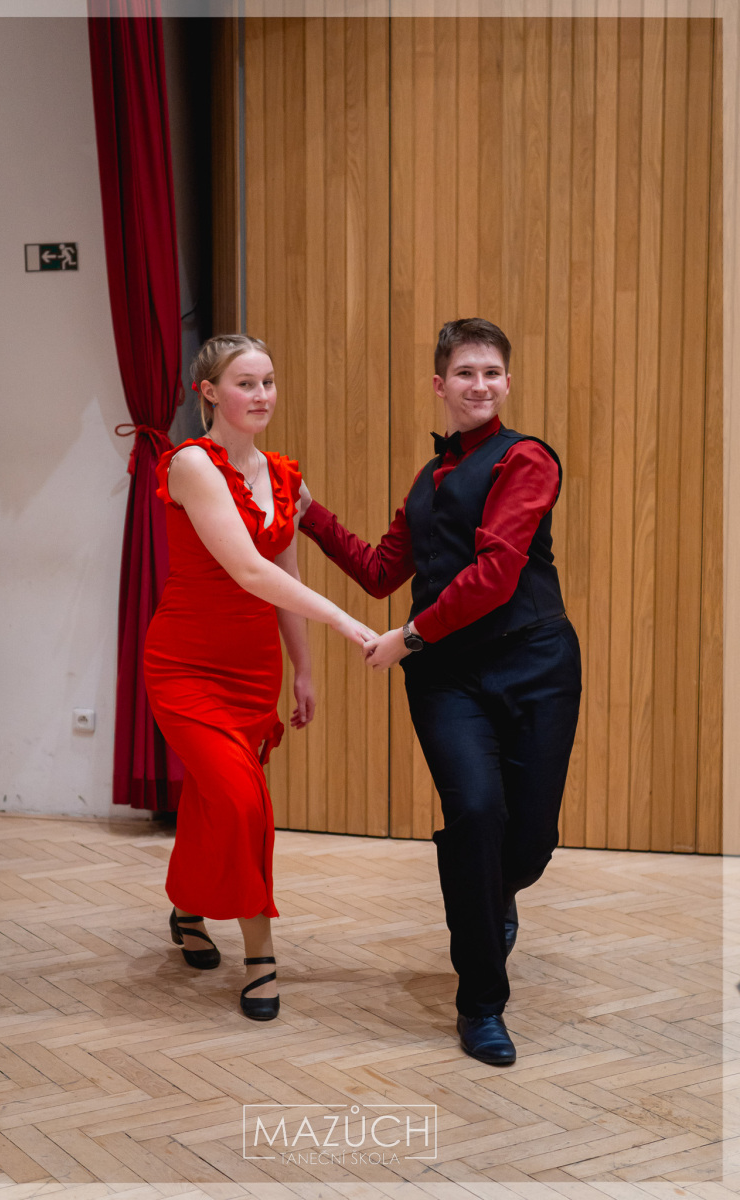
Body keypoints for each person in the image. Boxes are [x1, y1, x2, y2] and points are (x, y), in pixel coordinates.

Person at [299, 318, 582, 1064]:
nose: (478, 384)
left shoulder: (526, 459)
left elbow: (495, 576)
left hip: (535, 665)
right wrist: (309, 515)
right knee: (476, 815)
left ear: (507, 382)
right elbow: (380, 571)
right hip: (448, 678)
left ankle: (493, 894)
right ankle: (481, 1002)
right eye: (464, 372)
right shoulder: (428, 480)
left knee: (529, 845)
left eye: (490, 372)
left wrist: (410, 635)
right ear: (439, 384)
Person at [144, 334, 376, 1021]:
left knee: (216, 799)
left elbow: (285, 572)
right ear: (209, 393)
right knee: (243, 802)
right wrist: (345, 621)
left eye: (268, 382)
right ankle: (261, 958)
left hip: (252, 670)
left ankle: (188, 910)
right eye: (245, 383)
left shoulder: (282, 475)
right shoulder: (192, 464)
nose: (262, 395)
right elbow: (249, 570)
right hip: (186, 667)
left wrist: (304, 667)